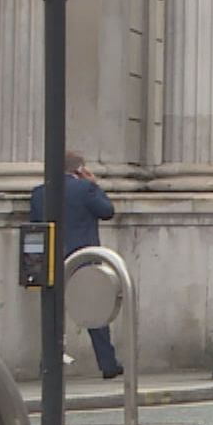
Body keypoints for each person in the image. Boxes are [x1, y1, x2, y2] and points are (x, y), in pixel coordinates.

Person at [28, 151, 122, 380]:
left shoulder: (39, 193)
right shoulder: (86, 189)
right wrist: (94, 185)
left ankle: (48, 364)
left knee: (53, 313)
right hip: (83, 257)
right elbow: (107, 211)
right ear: (79, 169)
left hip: (51, 259)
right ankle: (107, 363)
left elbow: (35, 224)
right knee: (94, 312)